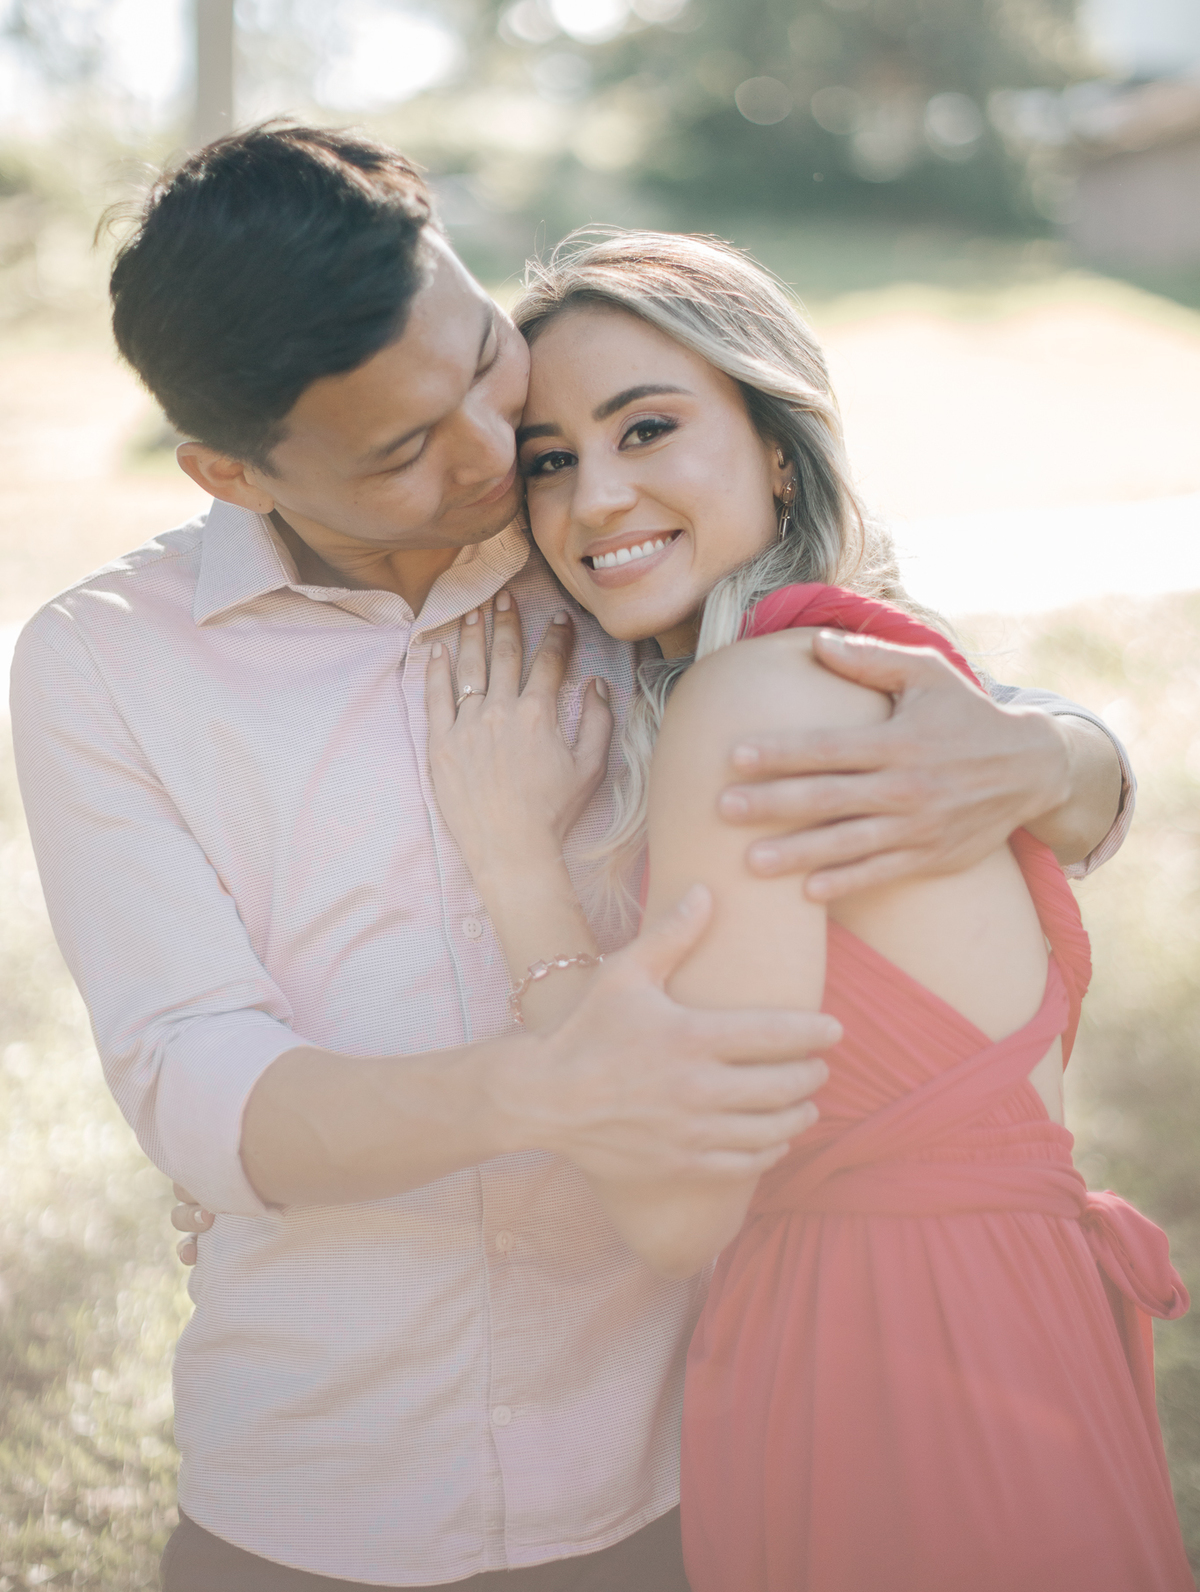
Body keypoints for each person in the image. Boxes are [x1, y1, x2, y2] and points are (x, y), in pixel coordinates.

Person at [9, 124, 1133, 1591]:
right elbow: (193, 1076)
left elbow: (887, 676)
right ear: (232, 471)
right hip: (325, 1481)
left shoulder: (609, 556)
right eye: (405, 450)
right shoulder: (104, 665)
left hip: (665, 1463)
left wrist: (1060, 755)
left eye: (485, 362)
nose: (497, 458)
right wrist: (539, 1090)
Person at [419, 228, 1192, 1591]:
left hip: (898, 1367)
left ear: (779, 449)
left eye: (646, 428)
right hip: (1014, 1340)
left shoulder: (751, 700)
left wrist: (513, 868)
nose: (597, 497)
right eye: (550, 459)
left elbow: (677, 1206)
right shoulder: (874, 665)